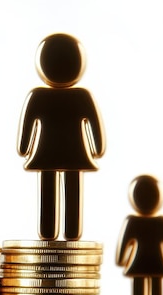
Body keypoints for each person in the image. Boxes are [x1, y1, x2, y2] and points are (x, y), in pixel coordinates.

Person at [17, 33, 105, 241]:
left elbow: (28, 127)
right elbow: (94, 126)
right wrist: (97, 148)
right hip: (75, 152)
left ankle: (50, 230)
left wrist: (24, 148)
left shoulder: (38, 96)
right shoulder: (81, 96)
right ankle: (70, 231)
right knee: (71, 190)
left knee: (50, 190)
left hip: (46, 152)